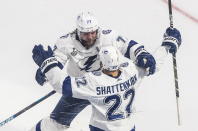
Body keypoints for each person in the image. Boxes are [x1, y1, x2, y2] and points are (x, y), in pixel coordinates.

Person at [30, 11, 175, 131]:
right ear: (77, 31)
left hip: (88, 86)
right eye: (86, 34)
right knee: (57, 123)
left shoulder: (108, 36)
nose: (90, 36)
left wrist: (47, 68)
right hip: (81, 88)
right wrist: (46, 73)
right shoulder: (65, 42)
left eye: (93, 32)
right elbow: (58, 60)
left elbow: (128, 46)